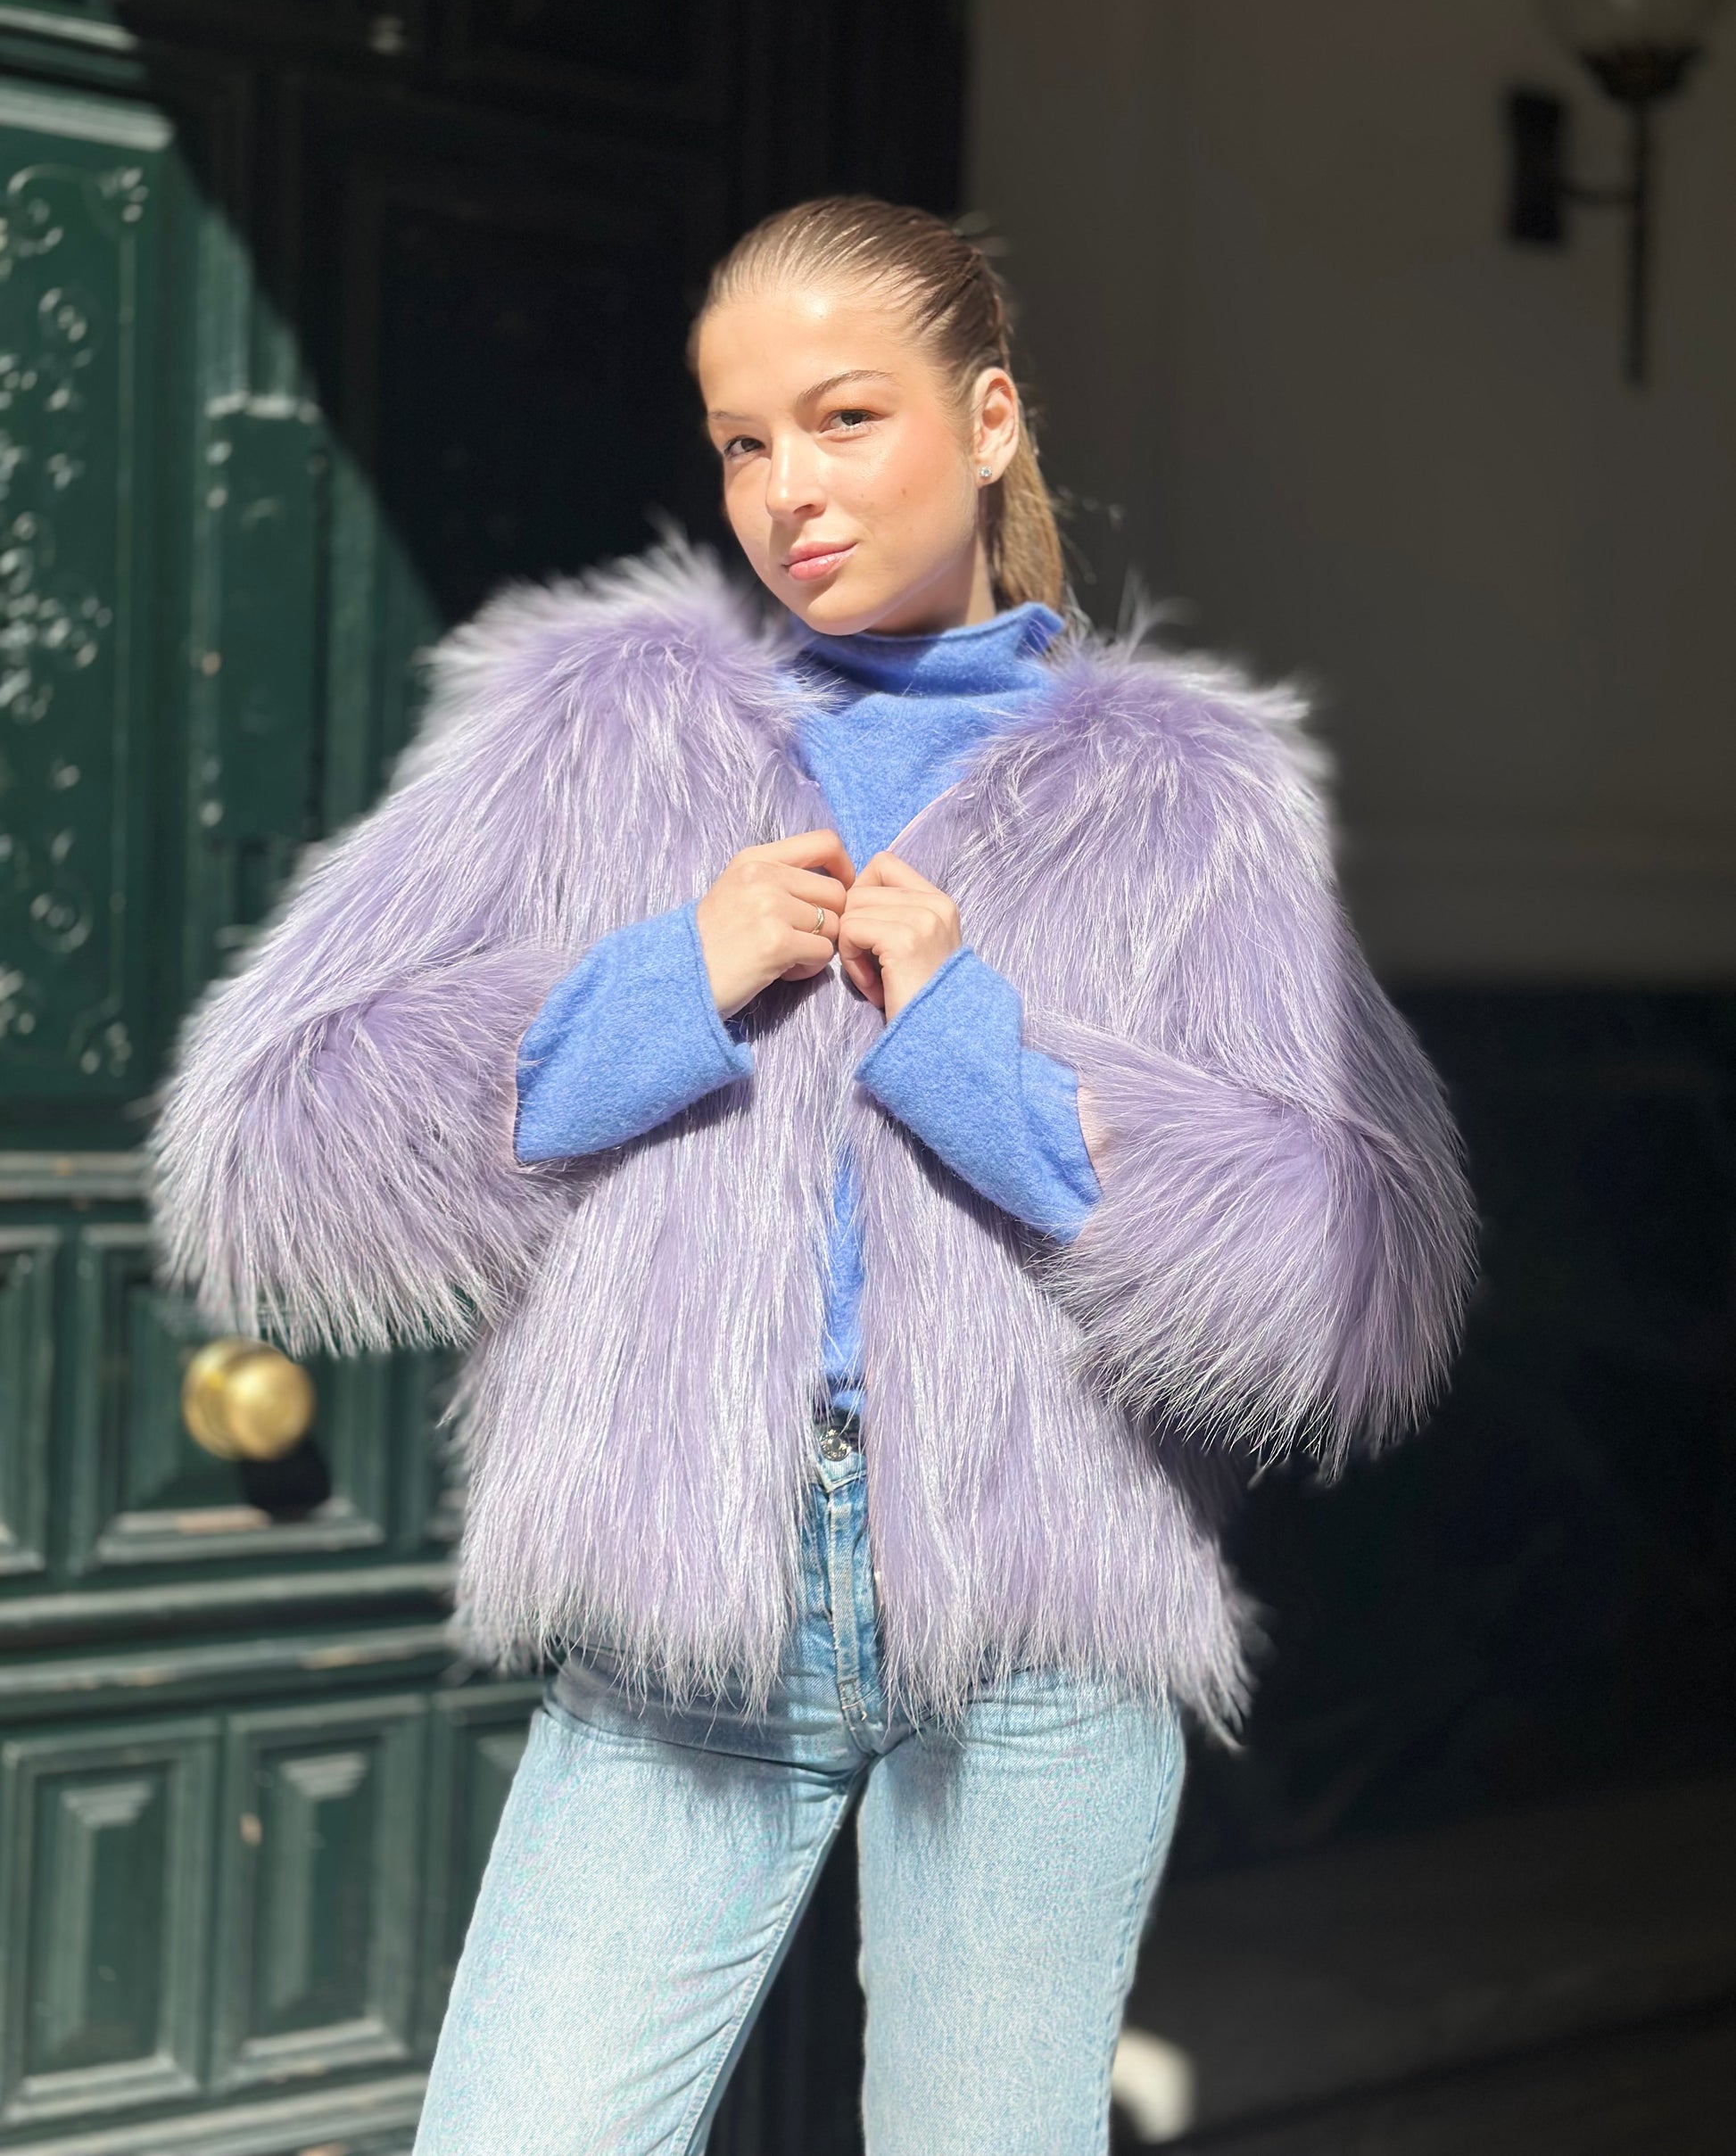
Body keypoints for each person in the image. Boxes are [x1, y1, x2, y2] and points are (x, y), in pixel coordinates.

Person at [150, 195, 1477, 2154]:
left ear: (990, 418)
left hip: (1042, 1628)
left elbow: (1357, 1266)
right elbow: (270, 1137)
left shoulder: (1183, 800)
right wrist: (660, 984)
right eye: (742, 441)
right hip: (680, 1609)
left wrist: (971, 1055)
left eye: (846, 417)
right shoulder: (596, 734)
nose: (789, 489)